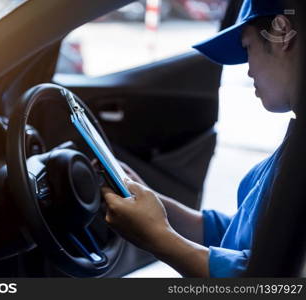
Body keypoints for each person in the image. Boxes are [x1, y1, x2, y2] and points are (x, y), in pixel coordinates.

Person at [102, 0, 300, 277]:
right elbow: (246, 235)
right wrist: (153, 202)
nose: (248, 70)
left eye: (247, 48)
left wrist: (158, 238)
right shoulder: (294, 147)